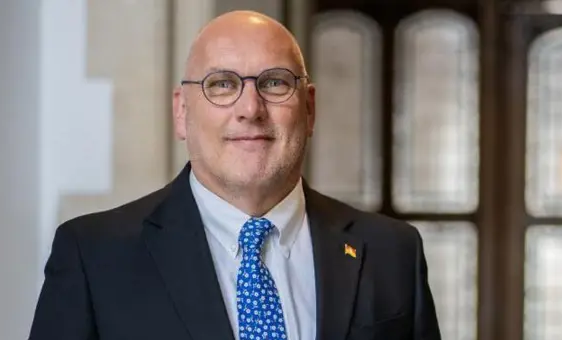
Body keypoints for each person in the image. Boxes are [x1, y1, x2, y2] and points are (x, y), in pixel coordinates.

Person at [28, 10, 441, 340]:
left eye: (275, 83)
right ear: (182, 112)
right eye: (222, 84)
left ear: (309, 108)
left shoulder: (392, 253)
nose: (250, 108)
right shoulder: (94, 258)